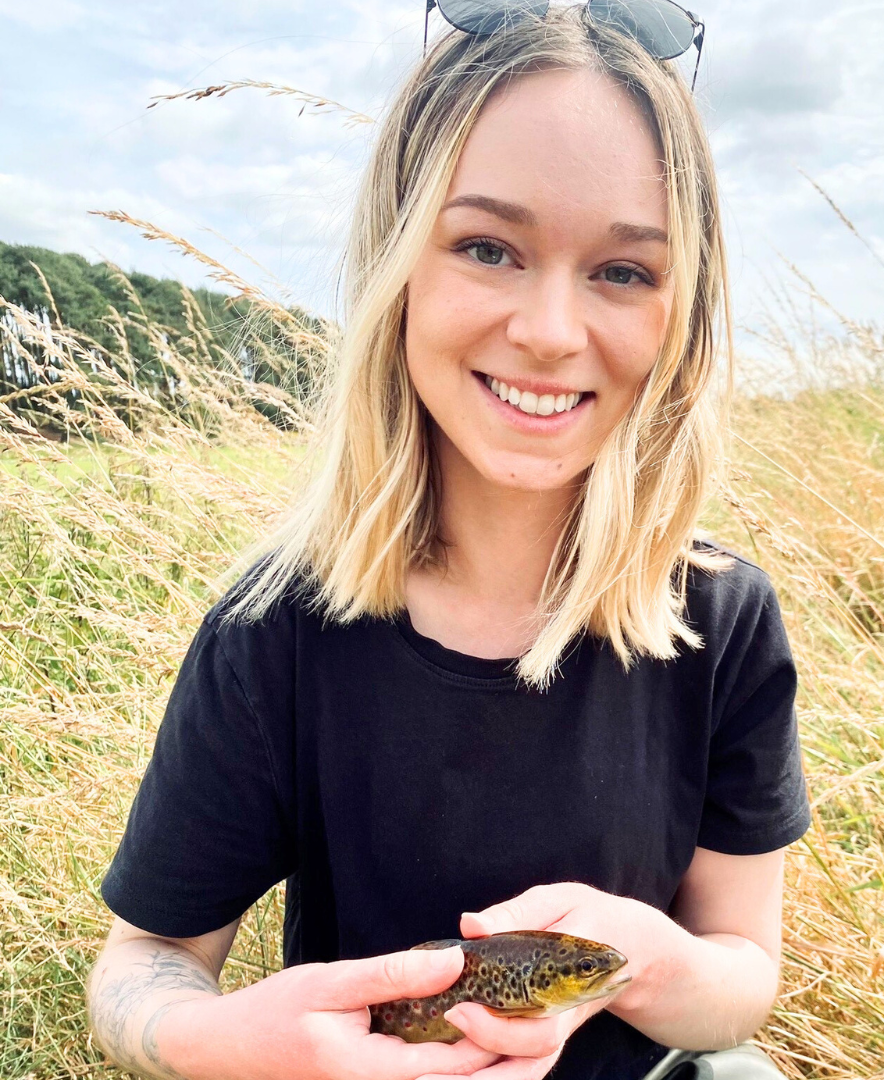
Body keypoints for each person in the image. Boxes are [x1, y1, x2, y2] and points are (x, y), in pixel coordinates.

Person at [87, 4, 812, 1079]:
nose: (552, 331)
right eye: (488, 247)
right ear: (397, 265)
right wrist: (223, 1039)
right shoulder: (272, 634)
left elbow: (746, 965)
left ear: (684, 309)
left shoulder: (724, 620)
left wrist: (649, 968)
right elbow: (144, 962)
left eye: (624, 270)